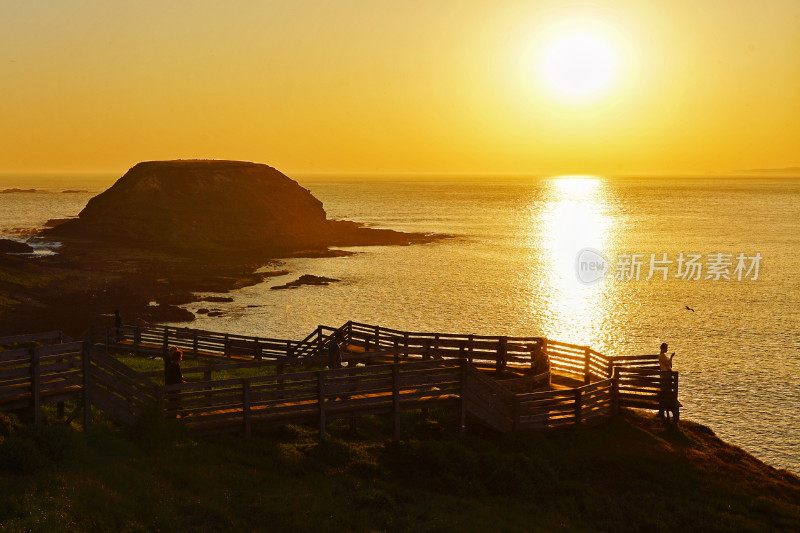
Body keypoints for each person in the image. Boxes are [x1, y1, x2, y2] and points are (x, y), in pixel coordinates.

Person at [164, 348, 186, 418]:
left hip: (170, 386)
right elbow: (177, 377)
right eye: (181, 357)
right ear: (179, 358)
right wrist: (181, 381)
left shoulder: (170, 365)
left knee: (173, 400)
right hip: (174, 387)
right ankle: (172, 416)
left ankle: (173, 415)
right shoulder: (176, 366)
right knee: (175, 400)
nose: (181, 359)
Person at [657, 342, 676, 419]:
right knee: (667, 390)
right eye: (666, 348)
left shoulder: (663, 356)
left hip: (666, 375)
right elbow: (668, 363)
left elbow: (669, 364)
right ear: (662, 348)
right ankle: (669, 404)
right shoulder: (662, 356)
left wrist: (670, 358)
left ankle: (667, 405)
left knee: (668, 389)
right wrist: (671, 357)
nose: (667, 349)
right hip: (665, 375)